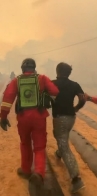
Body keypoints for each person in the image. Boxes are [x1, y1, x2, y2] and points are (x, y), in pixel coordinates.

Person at [0, 58, 59, 186]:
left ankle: (26, 170)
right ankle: (38, 172)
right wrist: (47, 98)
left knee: (25, 143)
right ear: (34, 68)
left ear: (22, 69)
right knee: (39, 146)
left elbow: (7, 99)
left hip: (23, 117)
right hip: (39, 116)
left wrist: (3, 117)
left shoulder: (16, 80)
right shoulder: (42, 78)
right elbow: (55, 91)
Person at [51, 62, 86, 193]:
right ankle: (59, 152)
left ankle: (76, 179)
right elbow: (82, 99)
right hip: (71, 117)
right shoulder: (75, 85)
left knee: (63, 144)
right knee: (61, 136)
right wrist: (76, 108)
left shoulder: (52, 83)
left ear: (57, 71)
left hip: (59, 117)